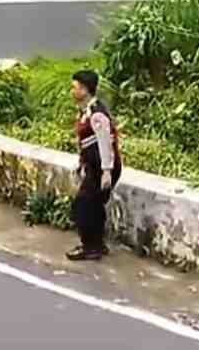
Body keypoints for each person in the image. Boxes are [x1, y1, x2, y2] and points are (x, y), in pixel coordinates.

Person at [67, 70, 123, 261]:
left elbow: (105, 144)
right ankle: (96, 245)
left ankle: (90, 247)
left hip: (103, 168)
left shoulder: (97, 115)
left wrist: (106, 172)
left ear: (84, 90)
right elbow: (88, 144)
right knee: (95, 205)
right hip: (95, 167)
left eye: (74, 88)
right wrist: (82, 164)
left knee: (83, 205)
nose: (72, 92)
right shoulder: (87, 111)